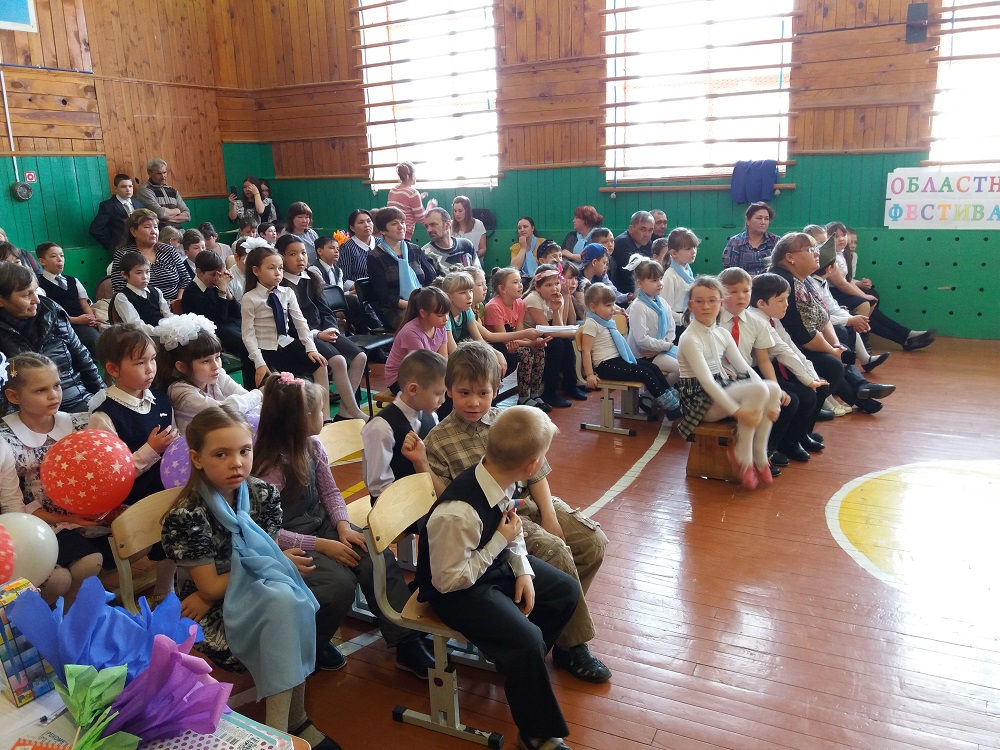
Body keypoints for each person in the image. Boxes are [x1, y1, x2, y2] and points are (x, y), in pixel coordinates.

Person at [425, 342, 612, 686]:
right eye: (464, 392)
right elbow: (451, 499)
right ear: (448, 390)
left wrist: (550, 516)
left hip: (531, 502)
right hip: (500, 518)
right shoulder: (438, 440)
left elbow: (537, 473)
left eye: (483, 393)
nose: (473, 402)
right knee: (556, 552)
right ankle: (572, 645)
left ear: (496, 391)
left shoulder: (506, 419)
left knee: (592, 541)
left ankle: (554, 621)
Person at [160, 405, 339, 747]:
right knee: (286, 602)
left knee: (288, 601)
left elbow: (264, 561)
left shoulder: (263, 494)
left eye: (244, 451)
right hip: (209, 609)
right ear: (197, 459)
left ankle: (282, 729)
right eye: (221, 454)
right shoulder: (188, 514)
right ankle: (289, 726)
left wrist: (274, 564)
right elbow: (211, 587)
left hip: (254, 589)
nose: (237, 463)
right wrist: (277, 562)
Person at [416, 405, 580, 750]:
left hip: (485, 566)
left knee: (565, 591)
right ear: (532, 466)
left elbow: (511, 527)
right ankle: (535, 731)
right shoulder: (458, 514)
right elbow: (448, 582)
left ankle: (519, 665)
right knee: (528, 640)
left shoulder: (500, 477)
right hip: (455, 591)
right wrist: (498, 544)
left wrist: (522, 570)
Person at [254, 373, 434, 677]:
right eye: (319, 411)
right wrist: (323, 545)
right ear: (300, 419)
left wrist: (342, 526)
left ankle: (406, 639)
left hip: (324, 526)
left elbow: (330, 492)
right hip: (288, 542)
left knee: (375, 556)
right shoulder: (269, 468)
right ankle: (312, 644)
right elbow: (266, 532)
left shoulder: (312, 446)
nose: (324, 415)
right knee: (337, 586)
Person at [0, 353, 106, 605]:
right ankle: (35, 619)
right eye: (41, 390)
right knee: (58, 580)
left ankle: (67, 616)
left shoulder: (77, 424)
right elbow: (14, 510)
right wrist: (65, 519)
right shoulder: (5, 440)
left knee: (91, 563)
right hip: (32, 526)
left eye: (56, 385)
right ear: (14, 396)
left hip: (72, 519)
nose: (54, 395)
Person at [88, 324, 176, 600]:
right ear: (113, 369)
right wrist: (151, 449)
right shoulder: (104, 416)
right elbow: (111, 477)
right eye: (140, 363)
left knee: (180, 522)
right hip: (131, 499)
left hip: (164, 489)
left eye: (153, 359)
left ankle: (166, 589)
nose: (150, 369)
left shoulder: (160, 400)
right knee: (166, 522)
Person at [769, 233, 896, 415]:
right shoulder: (784, 282)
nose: (817, 253)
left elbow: (824, 315)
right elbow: (802, 334)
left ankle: (861, 392)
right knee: (833, 363)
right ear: (790, 257)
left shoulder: (805, 280)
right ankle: (853, 395)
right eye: (810, 250)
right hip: (785, 350)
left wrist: (835, 345)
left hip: (804, 342)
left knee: (842, 348)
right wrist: (832, 351)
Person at [676, 276, 781, 489]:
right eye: (699, 301)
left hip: (721, 388)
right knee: (758, 391)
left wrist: (774, 400)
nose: (706, 306)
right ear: (690, 305)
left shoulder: (722, 333)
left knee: (771, 388)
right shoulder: (690, 338)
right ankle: (744, 456)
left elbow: (745, 369)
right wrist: (737, 411)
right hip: (699, 401)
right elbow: (707, 382)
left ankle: (759, 454)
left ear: (721, 303)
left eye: (712, 300)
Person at [276, 235, 368, 421]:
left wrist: (331, 328)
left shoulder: (311, 278)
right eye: (293, 254)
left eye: (303, 253)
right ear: (281, 257)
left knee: (360, 357)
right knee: (338, 361)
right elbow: (290, 324)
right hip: (304, 335)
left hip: (323, 331)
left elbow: (325, 310)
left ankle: (344, 412)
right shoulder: (281, 285)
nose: (300, 258)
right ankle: (342, 414)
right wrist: (318, 334)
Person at [717, 267, 797, 474]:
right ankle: (747, 454)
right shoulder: (713, 320)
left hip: (745, 376)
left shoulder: (755, 321)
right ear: (720, 294)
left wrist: (777, 389)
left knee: (787, 400)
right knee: (757, 400)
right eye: (733, 292)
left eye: (746, 291)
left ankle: (766, 450)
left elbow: (763, 360)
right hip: (720, 379)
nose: (741, 296)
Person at [750, 273, 832, 464]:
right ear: (762, 303)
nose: (786, 304)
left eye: (787, 299)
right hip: (757, 371)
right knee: (801, 397)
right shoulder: (757, 319)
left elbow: (790, 347)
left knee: (821, 388)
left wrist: (811, 375)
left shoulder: (773, 318)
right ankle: (783, 443)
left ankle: (800, 434)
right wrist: (807, 380)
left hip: (770, 367)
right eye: (781, 300)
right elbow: (782, 352)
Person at [0, 263, 103, 413]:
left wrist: (102, 397)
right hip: (25, 413)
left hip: (75, 400)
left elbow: (83, 359)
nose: (36, 300)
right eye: (26, 295)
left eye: (35, 291)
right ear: (2, 300)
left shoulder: (52, 312)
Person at [582, 282, 680, 417]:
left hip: (618, 359)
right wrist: (589, 375)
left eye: (613, 304)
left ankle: (671, 397)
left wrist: (619, 311)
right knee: (645, 373)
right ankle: (671, 408)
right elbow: (586, 351)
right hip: (606, 366)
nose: (612, 309)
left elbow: (613, 310)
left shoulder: (604, 319)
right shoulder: (591, 323)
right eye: (608, 305)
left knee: (653, 368)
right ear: (593, 307)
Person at [361, 349, 446, 503]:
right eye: (438, 394)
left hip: (426, 497)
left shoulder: (431, 416)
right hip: (396, 507)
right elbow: (379, 487)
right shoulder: (381, 427)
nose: (443, 400)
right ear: (413, 389)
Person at [241, 243, 327, 387]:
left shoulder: (287, 292)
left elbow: (300, 322)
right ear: (256, 271)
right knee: (277, 386)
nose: (277, 273)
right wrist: (259, 362)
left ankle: (322, 403)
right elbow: (248, 334)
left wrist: (310, 347)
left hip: (286, 342)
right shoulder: (250, 298)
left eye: (280, 268)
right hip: (263, 348)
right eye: (271, 268)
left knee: (319, 364)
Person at [158, 319, 261, 433]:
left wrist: (254, 399)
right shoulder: (179, 391)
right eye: (206, 361)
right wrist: (257, 394)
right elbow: (222, 412)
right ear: (182, 367)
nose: (216, 366)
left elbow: (246, 399)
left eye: (217, 357)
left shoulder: (218, 375)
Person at [181, 251, 254, 386]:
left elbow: (237, 313)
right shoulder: (192, 292)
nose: (217, 278)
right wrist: (221, 290)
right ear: (199, 272)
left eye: (219, 274)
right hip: (209, 330)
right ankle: (251, 383)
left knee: (255, 332)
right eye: (213, 274)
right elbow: (218, 319)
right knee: (245, 342)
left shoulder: (215, 285)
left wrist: (227, 291)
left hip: (228, 324)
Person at [482, 268, 547, 409]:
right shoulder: (494, 306)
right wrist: (530, 343)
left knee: (539, 350)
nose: (520, 285)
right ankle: (523, 397)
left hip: (514, 340)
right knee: (526, 353)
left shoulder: (519, 303)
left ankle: (534, 393)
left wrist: (534, 343)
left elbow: (520, 331)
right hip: (497, 344)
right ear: (502, 289)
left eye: (520, 282)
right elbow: (504, 338)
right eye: (515, 282)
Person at [366, 207, 438, 331]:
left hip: (422, 302)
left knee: (444, 314)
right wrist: (413, 305)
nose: (401, 227)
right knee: (423, 322)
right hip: (394, 309)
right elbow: (385, 296)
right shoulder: (375, 257)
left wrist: (426, 301)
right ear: (383, 230)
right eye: (394, 224)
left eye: (403, 222)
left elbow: (431, 280)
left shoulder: (415, 249)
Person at [524, 265, 584, 409]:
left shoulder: (557, 297)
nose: (554, 288)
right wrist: (576, 332)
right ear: (537, 287)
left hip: (545, 333)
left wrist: (556, 310)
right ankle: (549, 393)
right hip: (530, 336)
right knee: (557, 344)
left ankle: (570, 386)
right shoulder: (533, 299)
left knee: (565, 342)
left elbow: (558, 326)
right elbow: (548, 331)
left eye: (557, 283)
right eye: (548, 285)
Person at [111, 208, 192, 301]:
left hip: (175, 304)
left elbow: (186, 279)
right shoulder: (123, 255)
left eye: (155, 227)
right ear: (133, 231)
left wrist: (178, 302)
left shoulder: (169, 250)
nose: (153, 231)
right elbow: (119, 288)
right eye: (147, 227)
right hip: (141, 306)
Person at [34, 242, 100, 353]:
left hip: (83, 322)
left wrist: (91, 318)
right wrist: (77, 320)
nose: (60, 259)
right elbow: (47, 315)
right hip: (60, 325)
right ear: (42, 261)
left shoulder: (73, 280)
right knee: (91, 341)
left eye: (62, 255)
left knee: (100, 339)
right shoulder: (38, 285)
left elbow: (84, 304)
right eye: (54, 256)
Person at [626, 258, 680, 386]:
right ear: (640, 283)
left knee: (690, 361)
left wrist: (666, 344)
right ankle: (656, 395)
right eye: (654, 280)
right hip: (644, 355)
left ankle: (656, 393)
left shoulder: (662, 303)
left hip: (660, 350)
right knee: (680, 369)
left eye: (661, 278)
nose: (660, 283)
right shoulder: (638, 306)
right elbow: (641, 339)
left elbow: (671, 328)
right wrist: (665, 346)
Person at [383, 287, 450, 391]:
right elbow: (422, 367)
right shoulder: (411, 332)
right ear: (423, 313)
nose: (446, 319)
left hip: (424, 373)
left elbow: (443, 360)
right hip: (400, 379)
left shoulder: (441, 328)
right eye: (440, 315)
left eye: (447, 313)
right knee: (446, 393)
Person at [441, 271, 507, 374]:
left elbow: (480, 341)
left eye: (470, 291)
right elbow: (453, 352)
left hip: (460, 356)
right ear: (449, 296)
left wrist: (497, 354)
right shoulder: (445, 317)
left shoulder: (467, 311)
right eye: (463, 293)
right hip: (449, 362)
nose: (469, 296)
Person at [111, 251, 172, 334]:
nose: (145, 277)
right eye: (139, 273)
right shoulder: (122, 297)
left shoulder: (156, 291)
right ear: (124, 274)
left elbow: (167, 314)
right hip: (144, 336)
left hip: (164, 332)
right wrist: (159, 331)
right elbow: (135, 325)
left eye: (147, 272)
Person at [89, 173, 146, 254]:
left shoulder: (139, 204)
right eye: (123, 187)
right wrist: (111, 245)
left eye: (130, 186)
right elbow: (95, 229)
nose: (128, 189)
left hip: (140, 248)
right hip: (120, 249)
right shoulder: (108, 206)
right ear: (116, 189)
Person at [721, 201, 780, 276]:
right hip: (743, 282)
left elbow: (781, 268)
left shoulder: (775, 241)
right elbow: (730, 272)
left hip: (771, 282)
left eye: (766, 219)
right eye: (759, 218)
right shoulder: (735, 242)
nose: (763, 222)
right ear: (748, 220)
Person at [387, 161, 437, 241]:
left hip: (391, 233)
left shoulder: (393, 190)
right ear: (413, 176)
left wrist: (419, 198)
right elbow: (423, 220)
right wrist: (430, 207)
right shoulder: (413, 193)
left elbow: (403, 203)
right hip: (403, 234)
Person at [134, 158, 190, 228]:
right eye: (159, 173)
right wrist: (177, 210)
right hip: (159, 231)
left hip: (178, 230)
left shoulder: (172, 190)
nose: (163, 176)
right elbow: (160, 213)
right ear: (149, 173)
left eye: (164, 172)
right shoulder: (145, 190)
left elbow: (187, 215)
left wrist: (167, 219)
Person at [611, 211, 655, 293]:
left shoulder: (648, 243)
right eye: (643, 229)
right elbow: (628, 276)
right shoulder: (623, 243)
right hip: (623, 293)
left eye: (650, 230)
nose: (647, 234)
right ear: (631, 228)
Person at [422, 208, 478, 273]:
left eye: (433, 224)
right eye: (427, 226)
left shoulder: (466, 246)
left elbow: (479, 274)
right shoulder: (425, 254)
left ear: (447, 225)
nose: (428, 230)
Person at [660, 227, 699, 317]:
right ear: (674, 253)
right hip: (678, 321)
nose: (693, 251)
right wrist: (683, 319)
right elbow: (665, 308)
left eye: (694, 247)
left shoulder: (688, 271)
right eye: (688, 248)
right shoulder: (670, 276)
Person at [579, 242, 628, 307]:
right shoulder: (577, 280)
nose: (606, 267)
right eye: (604, 263)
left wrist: (619, 309)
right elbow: (583, 307)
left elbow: (613, 295)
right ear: (594, 262)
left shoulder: (600, 276)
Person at [337, 209, 375, 285]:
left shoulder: (381, 243)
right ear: (352, 228)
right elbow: (344, 278)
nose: (366, 225)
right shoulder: (347, 247)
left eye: (369, 221)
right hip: (360, 289)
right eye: (361, 222)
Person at [450, 196, 487, 260]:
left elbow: (483, 248)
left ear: (467, 211)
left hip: (474, 260)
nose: (457, 214)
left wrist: (477, 254)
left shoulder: (478, 224)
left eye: (460, 211)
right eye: (455, 211)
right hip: (455, 260)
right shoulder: (449, 225)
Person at [509, 216, 544, 281]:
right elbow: (514, 267)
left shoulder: (542, 242)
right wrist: (523, 248)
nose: (522, 230)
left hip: (542, 278)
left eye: (525, 227)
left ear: (532, 228)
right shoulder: (515, 247)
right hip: (522, 279)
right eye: (519, 228)